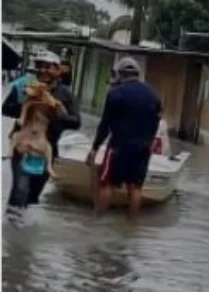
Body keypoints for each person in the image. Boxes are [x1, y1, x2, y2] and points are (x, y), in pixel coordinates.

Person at [2, 50, 80, 217]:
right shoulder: (24, 86)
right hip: (22, 145)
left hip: (46, 148)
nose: (43, 70)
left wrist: (56, 111)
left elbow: (76, 122)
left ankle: (24, 221)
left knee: (33, 194)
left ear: (58, 70)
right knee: (20, 189)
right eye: (39, 66)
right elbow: (5, 109)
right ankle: (12, 225)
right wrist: (24, 102)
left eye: (48, 67)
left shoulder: (65, 94)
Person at [87, 57, 162, 220]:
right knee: (135, 187)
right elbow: (156, 123)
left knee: (108, 183)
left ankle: (96, 222)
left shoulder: (115, 93)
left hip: (119, 147)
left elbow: (105, 125)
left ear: (120, 74)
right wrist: (149, 142)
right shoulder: (153, 95)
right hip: (143, 148)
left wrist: (94, 148)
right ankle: (132, 225)